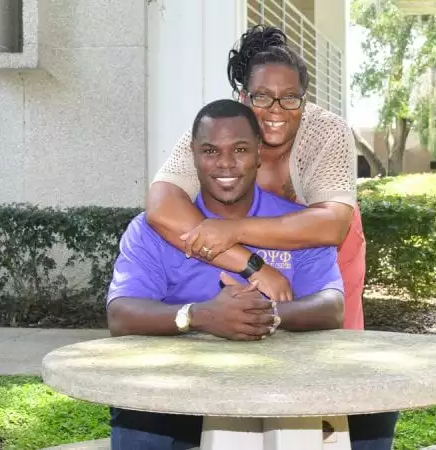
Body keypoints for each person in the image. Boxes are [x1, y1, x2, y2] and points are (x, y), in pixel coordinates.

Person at [144, 24, 399, 448]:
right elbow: (161, 208)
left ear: (304, 97)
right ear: (244, 96)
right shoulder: (218, 128)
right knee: (253, 347)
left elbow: (332, 224)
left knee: (337, 367)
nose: (275, 110)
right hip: (254, 254)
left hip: (327, 253)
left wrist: (232, 230)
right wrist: (252, 265)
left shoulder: (326, 131)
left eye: (289, 98)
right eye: (261, 97)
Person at [106, 99, 348, 449]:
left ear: (259, 154)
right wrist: (200, 316)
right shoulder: (152, 228)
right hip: (176, 390)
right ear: (192, 155)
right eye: (209, 150)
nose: (225, 163)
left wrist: (262, 316)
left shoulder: (295, 224)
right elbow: (121, 314)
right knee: (138, 416)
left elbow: (331, 306)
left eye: (239, 150)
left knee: (374, 413)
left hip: (274, 390)